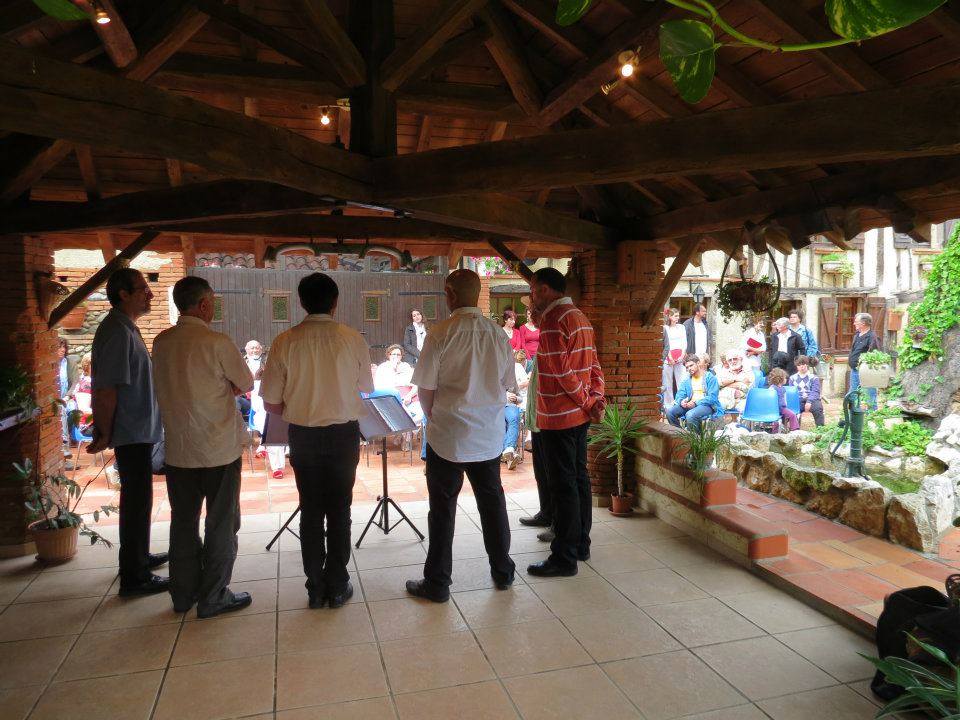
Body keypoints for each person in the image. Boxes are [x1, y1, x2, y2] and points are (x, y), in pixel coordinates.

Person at [260, 273, 372, 609]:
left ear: (301, 302)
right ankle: (337, 586)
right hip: (343, 435)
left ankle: (314, 587)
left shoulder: (285, 340)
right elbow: (365, 386)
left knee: (310, 510)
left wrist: (299, 404)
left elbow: (270, 403)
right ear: (335, 302)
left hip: (304, 434)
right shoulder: (352, 339)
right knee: (340, 509)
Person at [406, 269, 517, 602]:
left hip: (448, 436)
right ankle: (503, 572)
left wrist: (434, 416)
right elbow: (506, 384)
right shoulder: (498, 334)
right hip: (487, 435)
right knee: (492, 502)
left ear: (449, 293)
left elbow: (425, 389)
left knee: (442, 509)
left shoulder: (440, 334)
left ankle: (438, 583)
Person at [152, 277, 254, 618]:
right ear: (204, 305)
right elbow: (246, 382)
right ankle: (213, 595)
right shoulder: (217, 342)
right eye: (213, 302)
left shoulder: (162, 342)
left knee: (183, 521)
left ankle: (182, 594)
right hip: (218, 449)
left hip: (179, 449)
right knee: (221, 522)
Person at [87, 268, 169, 597]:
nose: (150, 295)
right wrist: (104, 431)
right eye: (142, 289)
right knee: (135, 501)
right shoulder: (116, 332)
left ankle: (139, 557)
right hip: (129, 430)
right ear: (123, 293)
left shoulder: (126, 328)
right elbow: (106, 388)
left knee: (141, 498)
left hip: (139, 429)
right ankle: (134, 577)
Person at [525, 268, 605, 579]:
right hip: (580, 416)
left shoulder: (553, 320)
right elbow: (594, 364)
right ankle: (581, 544)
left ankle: (564, 557)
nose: (532, 297)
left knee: (564, 485)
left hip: (560, 415)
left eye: (534, 291)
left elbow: (561, 373)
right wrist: (596, 398)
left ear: (545, 290)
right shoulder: (580, 317)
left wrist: (587, 400)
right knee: (579, 479)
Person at [517, 309, 552, 529]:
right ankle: (546, 513)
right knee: (541, 470)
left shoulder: (554, 336)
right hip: (538, 416)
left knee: (554, 474)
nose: (531, 314)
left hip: (551, 418)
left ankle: (558, 524)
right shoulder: (545, 338)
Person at [666, 355, 722, 430]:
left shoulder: (710, 377)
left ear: (698, 363)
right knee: (670, 412)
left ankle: (694, 439)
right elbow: (679, 395)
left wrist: (696, 403)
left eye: (691, 365)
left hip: (707, 405)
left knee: (690, 415)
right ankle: (679, 436)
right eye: (687, 367)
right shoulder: (686, 380)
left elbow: (712, 398)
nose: (689, 368)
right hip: (689, 404)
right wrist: (681, 401)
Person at [501, 350, 529, 471]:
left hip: (510, 406)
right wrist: (504, 396)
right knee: (501, 423)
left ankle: (508, 451)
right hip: (495, 407)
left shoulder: (512, 378)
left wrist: (515, 398)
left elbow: (520, 397)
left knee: (514, 418)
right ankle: (510, 453)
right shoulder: (492, 375)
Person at [849, 312, 880, 411]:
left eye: (856, 322)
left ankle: (873, 419)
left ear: (863, 323)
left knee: (870, 396)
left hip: (867, 372)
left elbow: (875, 355)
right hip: (854, 370)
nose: (854, 323)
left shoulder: (872, 337)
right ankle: (854, 418)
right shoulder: (857, 335)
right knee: (853, 394)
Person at [661, 308, 687, 409]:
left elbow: (684, 342)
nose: (678, 318)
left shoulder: (681, 327)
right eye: (675, 316)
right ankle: (668, 403)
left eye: (678, 315)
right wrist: (669, 357)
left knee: (682, 379)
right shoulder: (665, 328)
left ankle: (681, 400)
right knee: (667, 381)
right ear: (670, 317)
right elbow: (667, 344)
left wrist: (682, 355)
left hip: (680, 356)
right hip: (669, 357)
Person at [57, 338, 79, 453]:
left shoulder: (70, 363)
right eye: (59, 347)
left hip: (67, 397)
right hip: (54, 400)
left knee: (69, 408)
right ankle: (64, 442)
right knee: (61, 409)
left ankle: (65, 441)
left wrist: (67, 396)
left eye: (64, 347)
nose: (62, 350)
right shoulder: (49, 363)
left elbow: (76, 383)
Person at [790, 355, 824, 427]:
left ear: (807, 364)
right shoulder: (792, 378)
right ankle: (795, 430)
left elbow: (815, 392)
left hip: (812, 399)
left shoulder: (814, 377)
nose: (801, 367)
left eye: (803, 364)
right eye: (799, 365)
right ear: (796, 366)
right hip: (798, 399)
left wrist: (809, 402)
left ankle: (820, 430)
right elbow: (792, 392)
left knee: (818, 409)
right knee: (793, 411)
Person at [766, 368, 799, 432]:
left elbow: (785, 398)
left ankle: (795, 431)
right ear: (780, 378)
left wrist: (785, 406)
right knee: (776, 421)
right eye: (785, 378)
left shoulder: (783, 389)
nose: (786, 379)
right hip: (773, 410)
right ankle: (774, 434)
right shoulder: (772, 388)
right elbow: (769, 400)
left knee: (792, 415)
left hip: (782, 408)